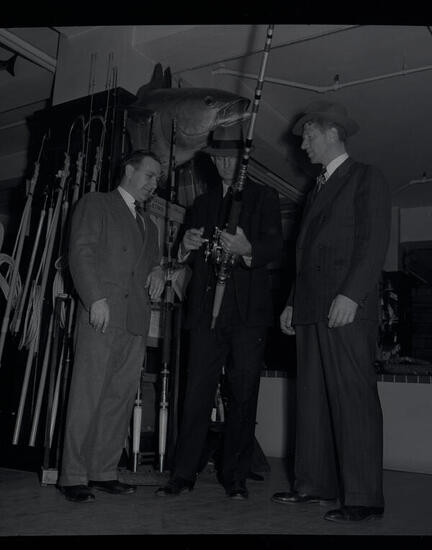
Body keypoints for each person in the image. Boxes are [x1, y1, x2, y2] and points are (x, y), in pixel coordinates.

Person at [271, 101, 391, 522]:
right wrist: (291, 302)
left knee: (352, 398)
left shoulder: (365, 177)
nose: (303, 145)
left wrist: (351, 295)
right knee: (312, 400)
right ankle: (314, 485)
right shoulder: (315, 190)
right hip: (310, 308)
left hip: (345, 306)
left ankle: (364, 497)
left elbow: (373, 242)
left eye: (309, 135)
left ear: (333, 133)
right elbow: (304, 255)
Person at [156, 125, 283, 500]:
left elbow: (274, 246)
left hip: (247, 316)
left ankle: (235, 476)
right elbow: (185, 257)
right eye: (220, 159)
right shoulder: (201, 204)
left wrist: (247, 249)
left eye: (232, 158)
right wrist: (185, 245)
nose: (226, 165)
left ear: (245, 160)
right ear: (212, 163)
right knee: (196, 393)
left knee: (243, 396)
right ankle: (183, 473)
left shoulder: (265, 197)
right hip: (205, 315)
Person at [58, 150, 165, 502]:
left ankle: (103, 471)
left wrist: (158, 272)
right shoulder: (96, 203)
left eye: (157, 178)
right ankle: (73, 475)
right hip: (101, 314)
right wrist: (94, 298)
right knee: (87, 395)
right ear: (129, 171)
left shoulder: (150, 225)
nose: (154, 183)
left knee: (119, 399)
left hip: (134, 321)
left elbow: (151, 263)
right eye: (149, 175)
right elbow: (81, 251)